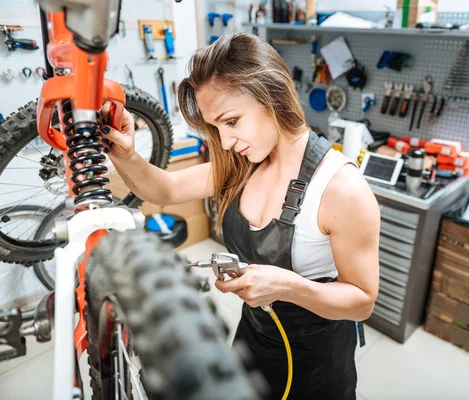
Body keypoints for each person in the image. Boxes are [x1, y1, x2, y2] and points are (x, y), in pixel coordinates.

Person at [100, 32, 380, 400]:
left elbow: (362, 301)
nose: (226, 141)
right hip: (253, 340)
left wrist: (288, 286)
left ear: (273, 95)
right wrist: (124, 154)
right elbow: (164, 190)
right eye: (216, 128)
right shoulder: (244, 164)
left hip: (318, 364)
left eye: (231, 121)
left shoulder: (341, 189)